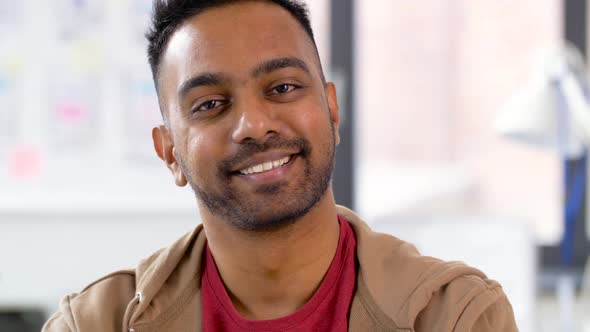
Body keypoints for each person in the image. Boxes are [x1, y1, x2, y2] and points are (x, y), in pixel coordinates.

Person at [43, 0, 518, 331]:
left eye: (283, 88)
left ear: (332, 110)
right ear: (169, 152)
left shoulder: (455, 316)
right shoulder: (91, 323)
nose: (252, 124)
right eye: (210, 103)